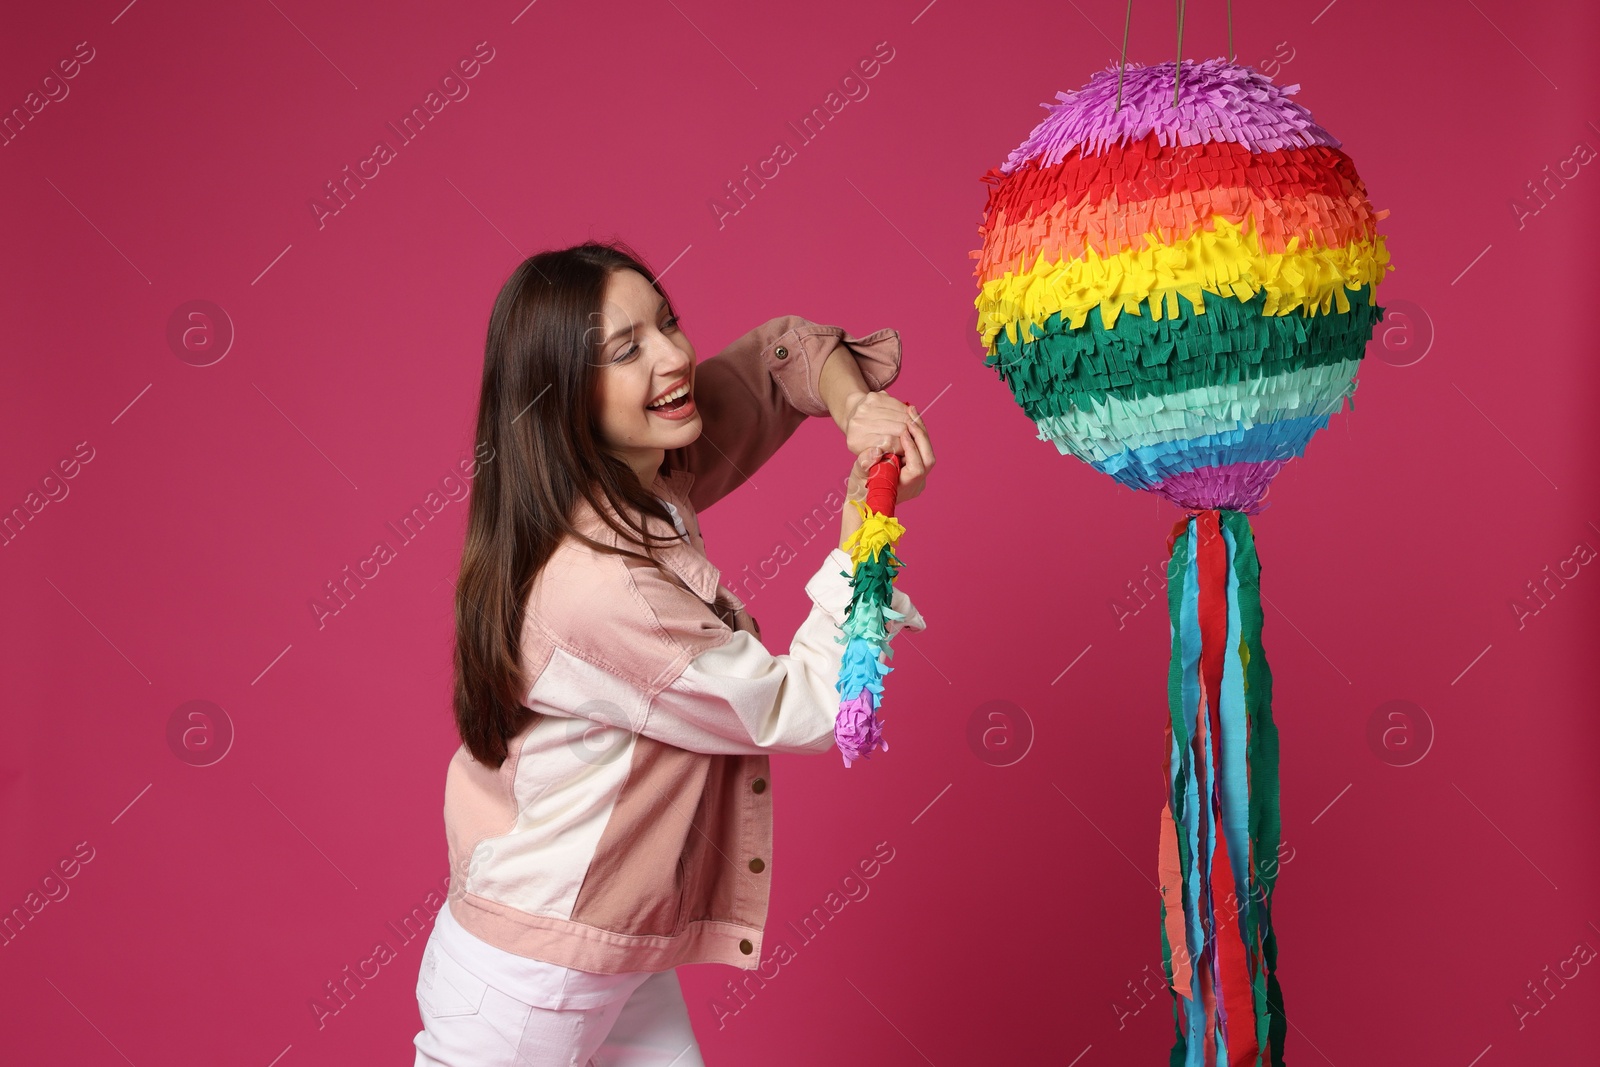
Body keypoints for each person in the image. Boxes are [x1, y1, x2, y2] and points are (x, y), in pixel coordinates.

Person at [412, 239, 934, 1066]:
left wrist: (854, 410)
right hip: (529, 977)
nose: (674, 355)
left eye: (668, 323)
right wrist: (866, 530)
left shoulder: (643, 470)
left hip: (610, 941)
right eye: (627, 350)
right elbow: (810, 707)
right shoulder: (597, 585)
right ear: (563, 400)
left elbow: (780, 355)